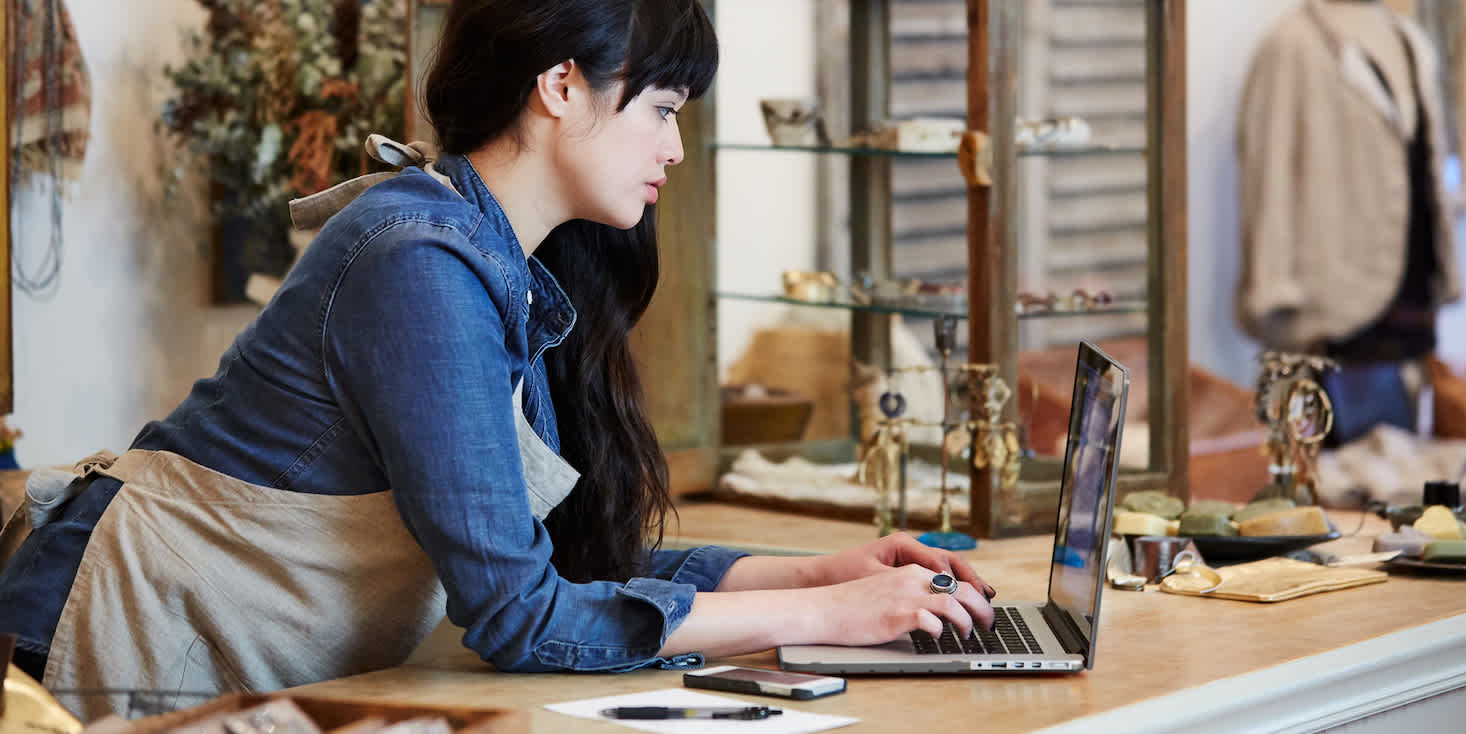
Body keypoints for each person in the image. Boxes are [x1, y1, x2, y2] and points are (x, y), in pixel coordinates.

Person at [0, 0, 995, 719]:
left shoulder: (499, 265)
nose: (676, 147)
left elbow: (560, 568)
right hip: (112, 640)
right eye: (660, 107)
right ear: (561, 84)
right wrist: (832, 611)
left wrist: (820, 567)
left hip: (220, 653)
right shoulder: (416, 260)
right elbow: (525, 617)